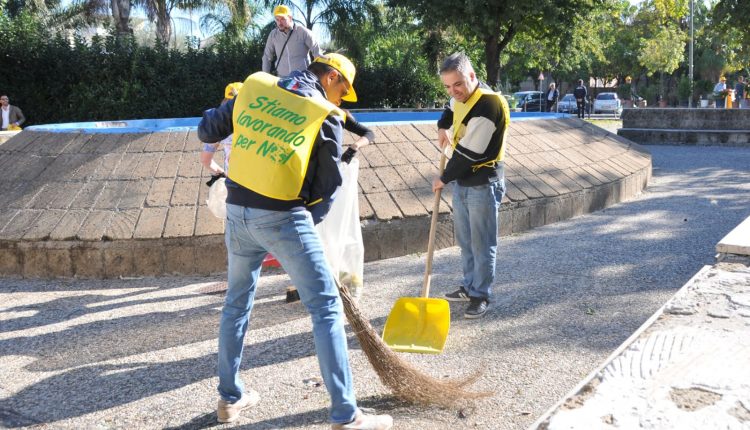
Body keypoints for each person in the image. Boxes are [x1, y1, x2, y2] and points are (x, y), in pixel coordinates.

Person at [197, 53, 393, 429]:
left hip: (237, 212)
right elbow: (328, 185)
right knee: (325, 308)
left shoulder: (255, 85)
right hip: (284, 216)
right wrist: (309, 223)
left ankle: (229, 399)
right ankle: (346, 416)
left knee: (237, 304)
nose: (340, 100)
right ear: (332, 76)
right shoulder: (323, 114)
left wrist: (232, 107)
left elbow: (208, 130)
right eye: (342, 90)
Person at [434, 52, 509, 319]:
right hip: (465, 181)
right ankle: (469, 285)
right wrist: (442, 126)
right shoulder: (461, 98)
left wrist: (443, 178)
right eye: (447, 86)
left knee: (482, 242)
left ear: (472, 77)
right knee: (465, 240)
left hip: (483, 182)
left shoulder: (489, 105)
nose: (453, 91)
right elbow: (449, 110)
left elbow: (469, 154)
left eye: (458, 84)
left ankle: (481, 294)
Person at [262, 5, 323, 77]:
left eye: (282, 19)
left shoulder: (303, 32)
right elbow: (267, 57)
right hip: (282, 80)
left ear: (290, 18)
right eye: (277, 19)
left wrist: (318, 76)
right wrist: (265, 76)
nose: (279, 23)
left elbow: (318, 54)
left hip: (302, 79)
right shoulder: (273, 35)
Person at [199, 82, 243, 177]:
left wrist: (221, 174)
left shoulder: (219, 125)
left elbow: (205, 160)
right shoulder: (261, 122)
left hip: (234, 179)